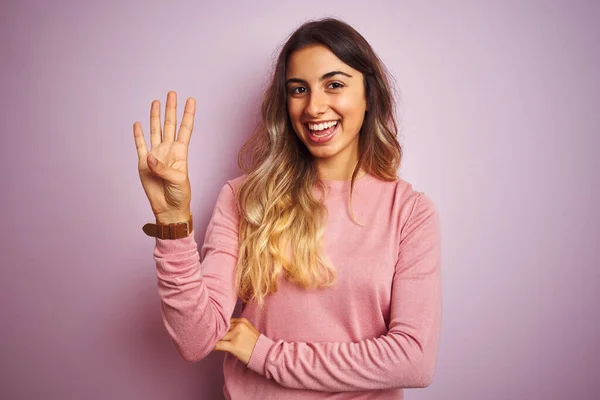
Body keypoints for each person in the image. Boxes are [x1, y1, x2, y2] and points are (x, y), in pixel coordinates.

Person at [133, 17, 441, 400]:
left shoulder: (410, 212)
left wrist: (267, 353)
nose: (313, 107)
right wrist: (173, 223)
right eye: (298, 89)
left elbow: (413, 360)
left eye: (334, 85)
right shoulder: (243, 198)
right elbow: (196, 340)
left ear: (369, 96)